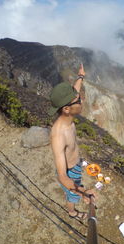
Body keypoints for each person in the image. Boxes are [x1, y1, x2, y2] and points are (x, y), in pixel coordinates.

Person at [48, 63, 96, 220]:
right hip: (70, 173)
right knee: (72, 197)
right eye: (78, 100)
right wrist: (81, 191)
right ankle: (72, 212)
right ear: (66, 109)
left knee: (74, 192)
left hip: (76, 163)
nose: (81, 99)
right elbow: (62, 176)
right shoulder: (58, 136)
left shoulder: (68, 116)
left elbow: (75, 90)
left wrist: (80, 76)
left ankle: (73, 205)